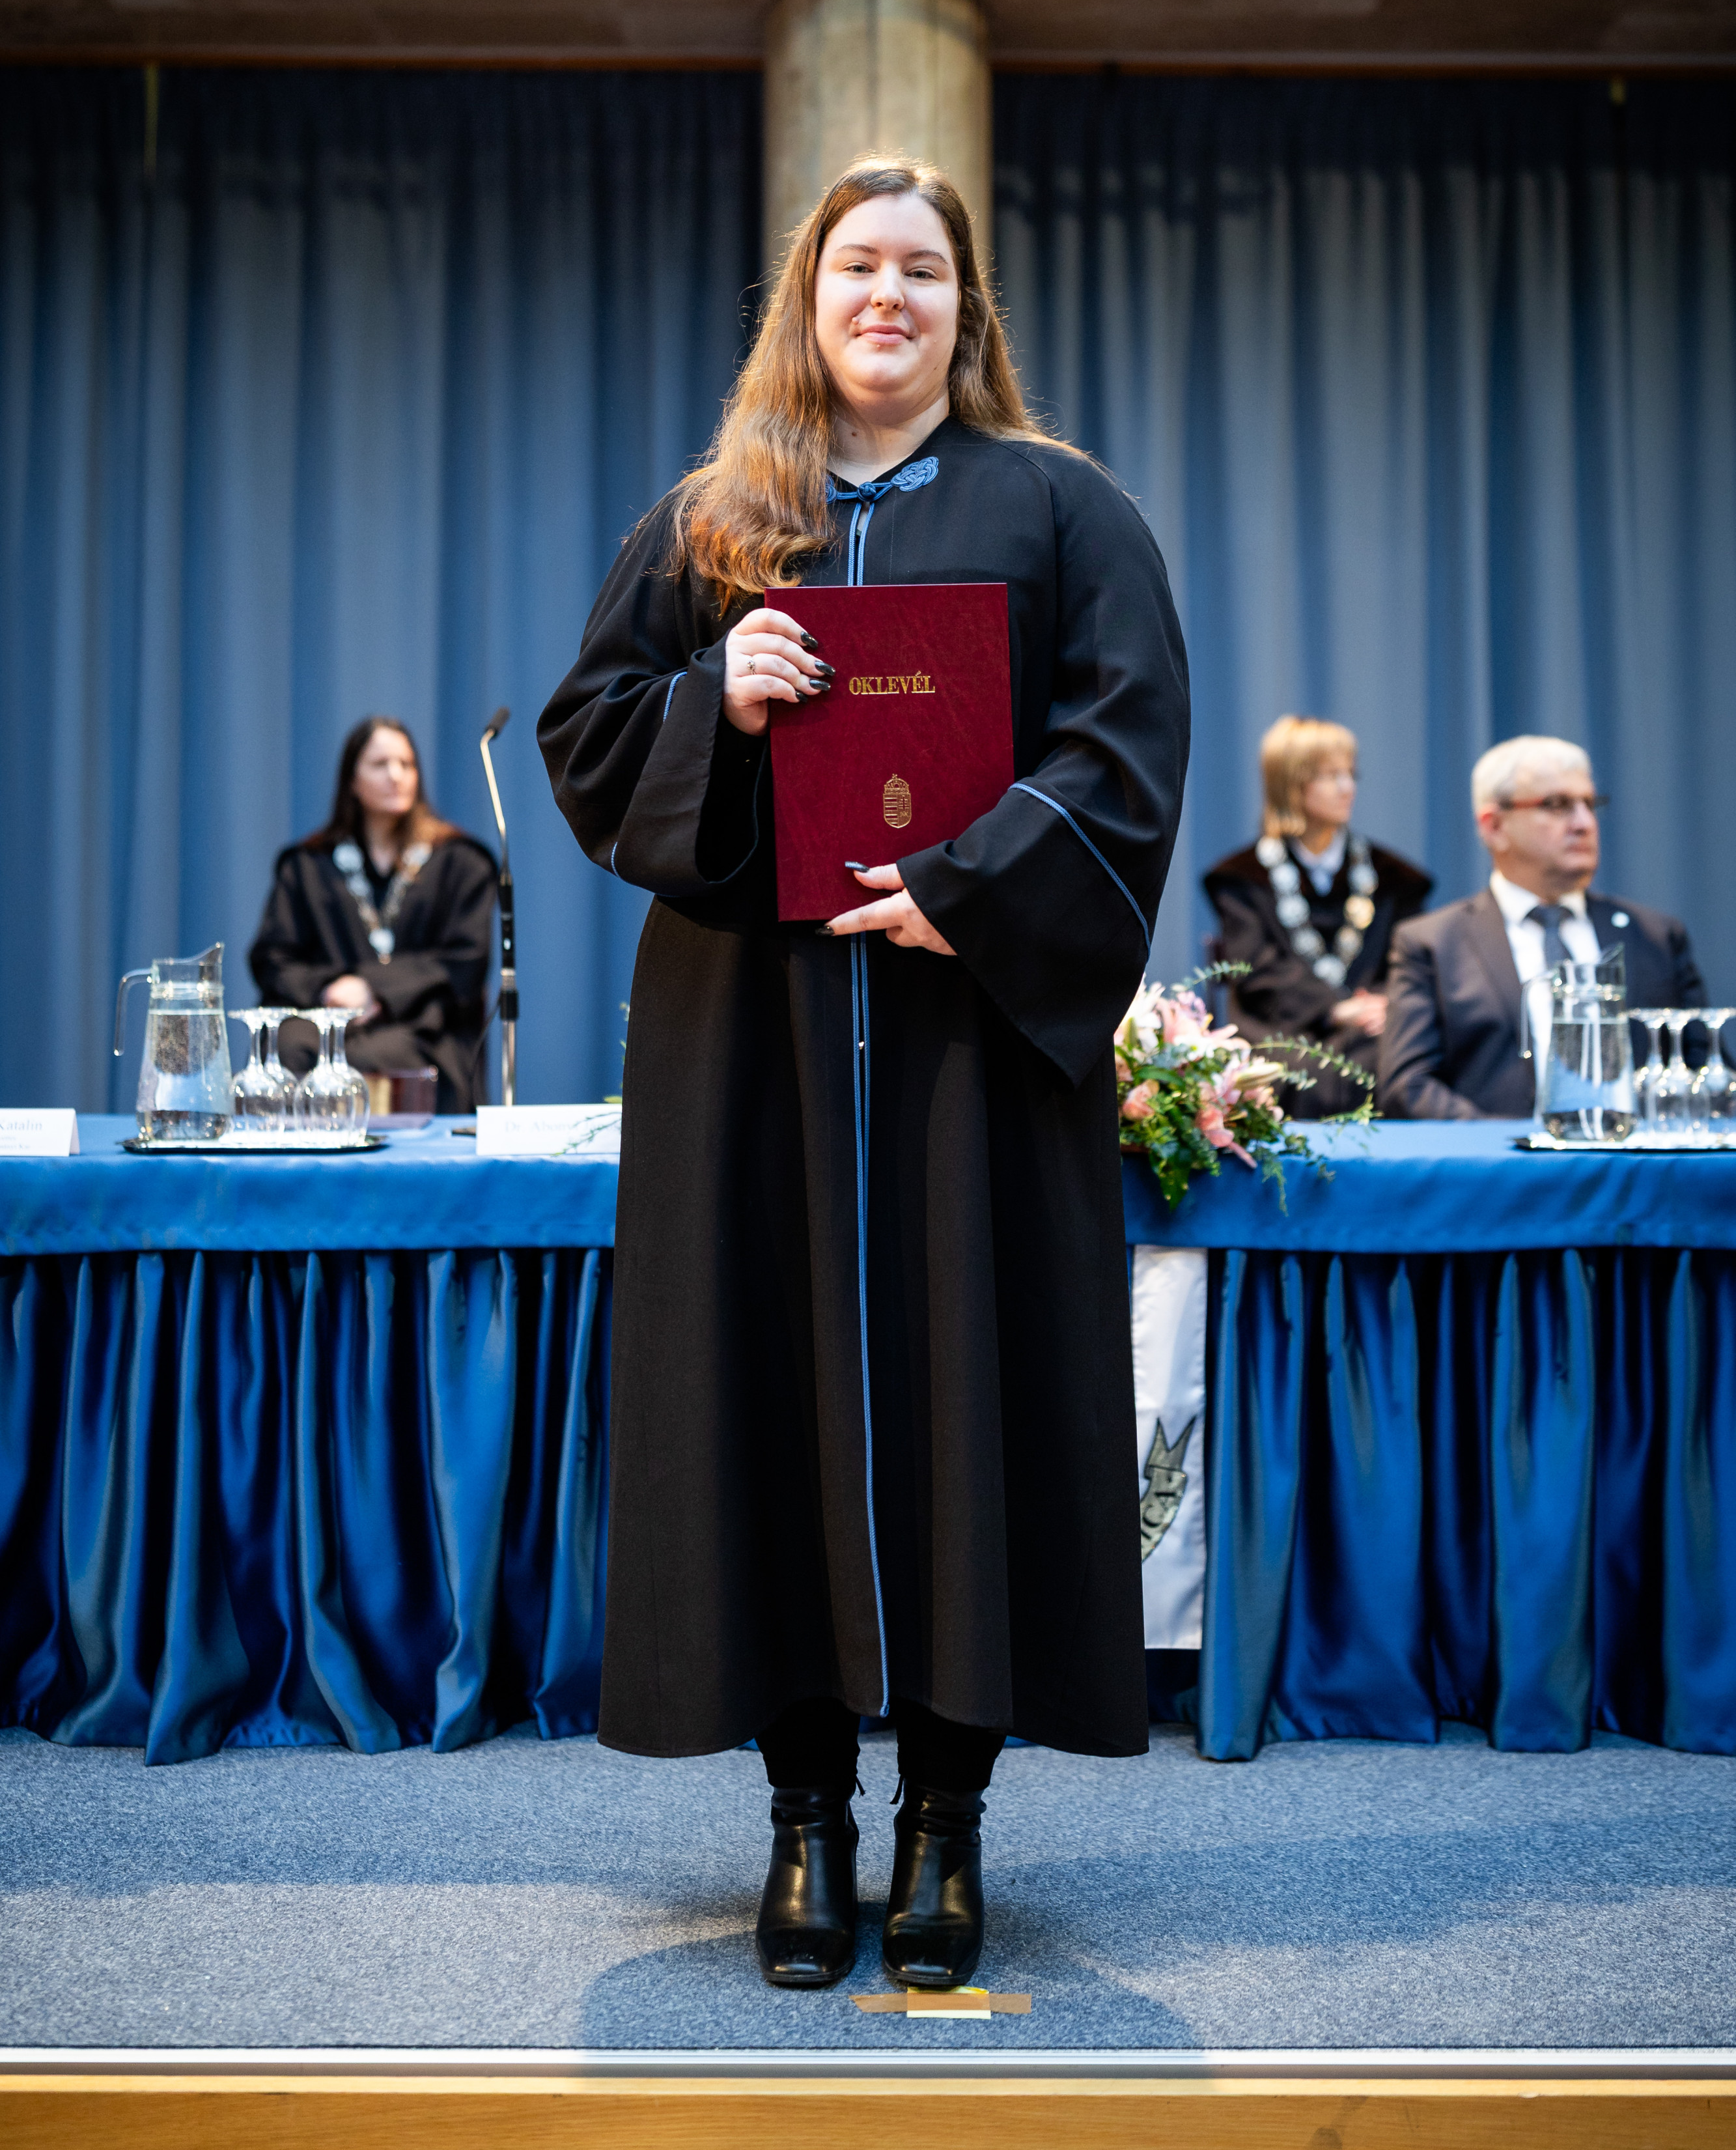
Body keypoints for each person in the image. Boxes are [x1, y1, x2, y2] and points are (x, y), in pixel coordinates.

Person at [538, 154, 1189, 1994]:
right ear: (806, 299)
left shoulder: (1060, 508)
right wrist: (713, 699)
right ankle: (805, 1818)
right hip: (750, 1041)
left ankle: (944, 1825)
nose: (885, 295)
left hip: (963, 1043)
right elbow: (591, 741)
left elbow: (1127, 747)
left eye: (920, 268)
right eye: (854, 267)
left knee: (969, 1400)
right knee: (765, 1399)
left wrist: (967, 891)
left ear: (964, 307)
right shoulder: (712, 520)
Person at [1379, 734, 1704, 1120]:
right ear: (1494, 826)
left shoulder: (1656, 937)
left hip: (1636, 1155)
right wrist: (1512, 1147)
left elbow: (1703, 1070)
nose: (1584, 824)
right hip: (1497, 1156)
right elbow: (1409, 1086)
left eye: (1589, 805)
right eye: (1557, 805)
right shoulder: (1432, 944)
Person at [249, 717, 499, 1111]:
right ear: (352, 780)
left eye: (406, 764)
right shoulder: (307, 865)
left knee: (368, 1059)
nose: (396, 775)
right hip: (326, 1025)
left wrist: (374, 989)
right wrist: (329, 991)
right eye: (380, 764)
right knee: (291, 1048)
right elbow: (273, 959)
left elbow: (465, 961)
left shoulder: (461, 862)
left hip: (422, 1028)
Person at [1203, 716, 1431, 1118]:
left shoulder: (1394, 879)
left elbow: (1404, 962)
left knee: (1394, 1061)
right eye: (1330, 776)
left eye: (1351, 774)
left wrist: (1382, 1003)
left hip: (1371, 1034)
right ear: (1291, 784)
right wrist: (1334, 1008)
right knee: (1292, 1070)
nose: (1348, 788)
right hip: (1281, 1029)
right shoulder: (1242, 880)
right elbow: (1257, 971)